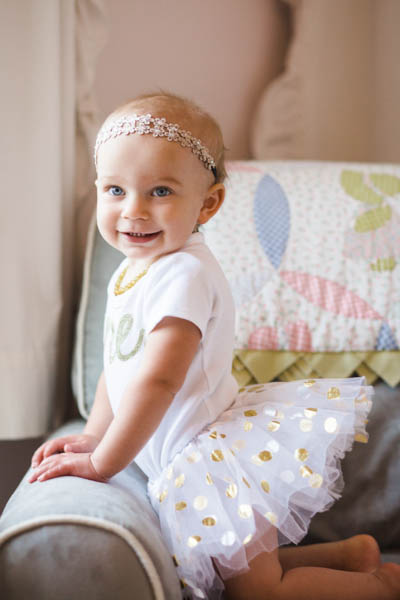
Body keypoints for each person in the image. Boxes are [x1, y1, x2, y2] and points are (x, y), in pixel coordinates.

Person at [29, 92, 400, 600]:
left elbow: (159, 380)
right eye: (115, 190)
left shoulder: (184, 274)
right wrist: (95, 433)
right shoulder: (132, 271)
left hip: (213, 461)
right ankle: (349, 557)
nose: (133, 210)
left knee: (258, 591)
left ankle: (381, 584)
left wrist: (102, 463)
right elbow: (119, 368)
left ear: (208, 203)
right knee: (237, 572)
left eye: (160, 191)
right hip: (188, 461)